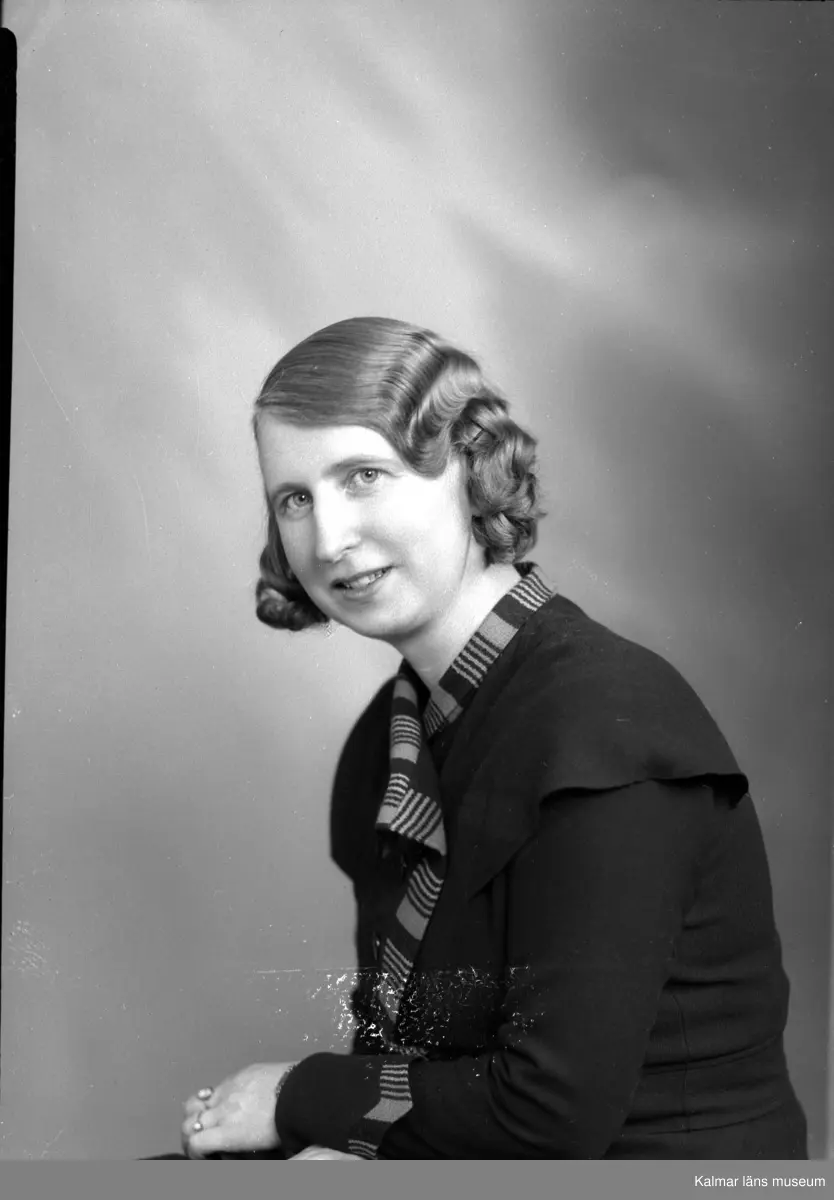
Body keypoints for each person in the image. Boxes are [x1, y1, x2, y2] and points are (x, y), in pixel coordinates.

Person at [178, 317, 807, 1160]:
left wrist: (299, 1097)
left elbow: (551, 1117)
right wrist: (338, 1145)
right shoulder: (383, 747)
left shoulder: (607, 725)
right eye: (295, 499)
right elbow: (409, 1054)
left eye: (364, 476)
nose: (328, 540)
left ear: (469, 468)